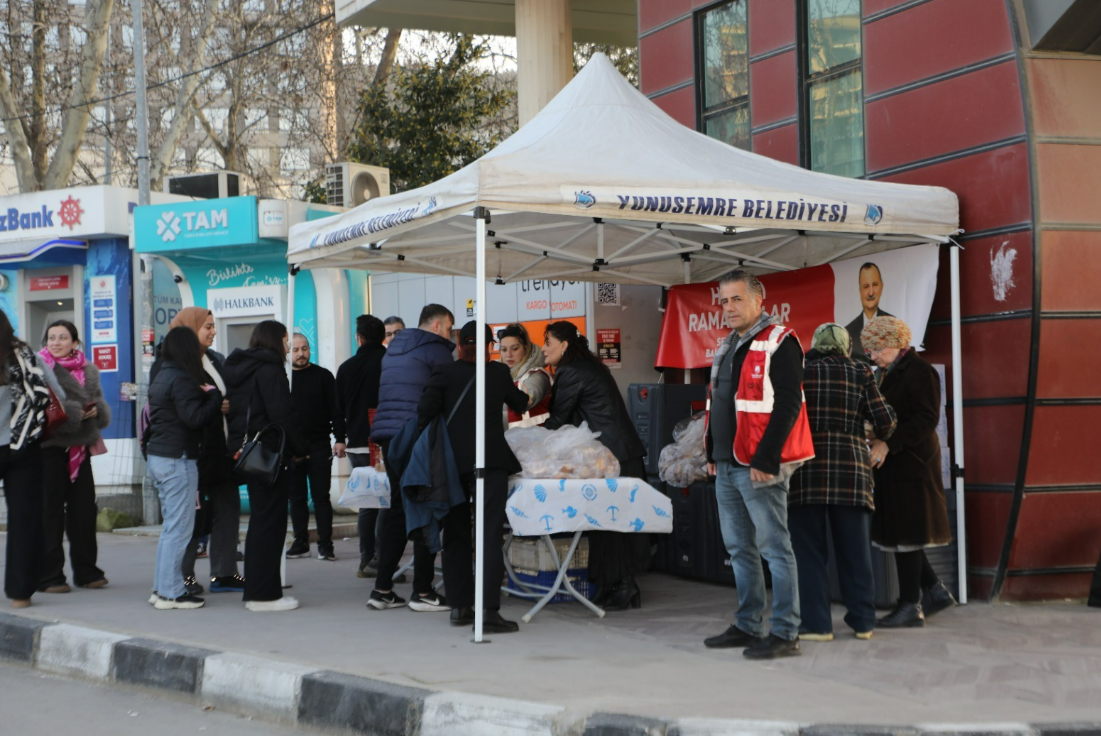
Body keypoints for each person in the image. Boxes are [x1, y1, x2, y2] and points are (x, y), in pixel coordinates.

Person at [702, 269, 814, 660]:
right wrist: (712, 453)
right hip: (727, 464)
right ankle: (748, 624)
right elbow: (720, 403)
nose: (729, 307)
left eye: (737, 299)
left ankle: (785, 632)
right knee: (739, 548)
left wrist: (766, 458)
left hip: (758, 464)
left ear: (758, 300)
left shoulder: (780, 341)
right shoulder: (729, 344)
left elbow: (789, 403)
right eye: (724, 301)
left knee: (775, 549)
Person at [788, 323, 897, 641]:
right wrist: (872, 431)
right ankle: (863, 622)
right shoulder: (860, 372)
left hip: (805, 471)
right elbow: (886, 420)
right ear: (846, 346)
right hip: (851, 473)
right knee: (856, 552)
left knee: (809, 553)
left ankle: (817, 625)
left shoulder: (800, 372)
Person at [419, 321, 530, 634]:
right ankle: (488, 612)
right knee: (488, 535)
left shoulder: (444, 372)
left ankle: (460, 607)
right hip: (490, 462)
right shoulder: (497, 373)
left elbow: (424, 412)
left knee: (455, 535)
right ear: (489, 346)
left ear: (459, 344)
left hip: (452, 464)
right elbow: (520, 404)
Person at [541, 320, 647, 612]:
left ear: (564, 345)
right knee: (605, 522)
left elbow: (558, 420)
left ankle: (625, 587)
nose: (543, 349)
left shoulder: (571, 372)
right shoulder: (590, 367)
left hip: (613, 457)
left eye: (548, 343)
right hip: (618, 453)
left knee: (611, 522)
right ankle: (610, 584)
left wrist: (530, 442)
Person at [862, 316, 956, 628]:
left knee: (907, 534)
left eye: (877, 348)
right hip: (892, 464)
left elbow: (926, 419)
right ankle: (935, 592)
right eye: (869, 350)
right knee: (901, 533)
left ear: (896, 343)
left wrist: (889, 443)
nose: (873, 355)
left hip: (913, 463)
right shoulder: (883, 373)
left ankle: (909, 606)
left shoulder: (920, 371)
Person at [367, 304, 455, 612]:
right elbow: (447, 396)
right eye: (448, 328)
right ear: (436, 326)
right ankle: (423, 591)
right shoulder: (436, 349)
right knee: (426, 506)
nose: (450, 335)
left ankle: (381, 590)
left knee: (397, 510)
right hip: (417, 436)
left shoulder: (394, 349)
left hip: (389, 436)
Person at [154, 307, 244, 597]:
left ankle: (225, 573)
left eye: (213, 326)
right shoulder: (171, 364)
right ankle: (183, 578)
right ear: (189, 330)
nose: (213, 331)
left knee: (227, 508)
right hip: (191, 452)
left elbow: (223, 395)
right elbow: (185, 407)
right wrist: (214, 403)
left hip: (220, 449)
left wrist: (225, 405)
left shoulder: (215, 359)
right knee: (189, 518)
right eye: (207, 326)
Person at [223, 321, 307, 612]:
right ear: (275, 340)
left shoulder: (241, 367)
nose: (288, 346)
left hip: (250, 454)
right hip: (270, 455)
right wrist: (301, 449)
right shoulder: (270, 369)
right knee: (269, 525)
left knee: (261, 523)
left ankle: (259, 592)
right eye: (285, 340)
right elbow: (282, 414)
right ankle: (264, 596)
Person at [146, 327, 225, 610]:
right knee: (180, 529)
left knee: (171, 528)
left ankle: (161, 589)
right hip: (178, 459)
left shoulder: (162, 374)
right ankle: (172, 593)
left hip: (160, 456)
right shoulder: (181, 378)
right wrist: (214, 397)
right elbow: (194, 418)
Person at [37, 320, 110, 594]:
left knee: (84, 511)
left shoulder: (88, 370)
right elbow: (38, 407)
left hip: (80, 448)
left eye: (62, 337)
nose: (56, 342)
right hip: (51, 448)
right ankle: (50, 575)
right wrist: (76, 412)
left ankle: (87, 571)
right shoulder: (38, 368)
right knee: (50, 513)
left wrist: (96, 410)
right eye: (51, 337)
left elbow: (99, 401)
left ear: (75, 342)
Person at [0, 310, 52, 609]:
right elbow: (53, 392)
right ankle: (21, 594)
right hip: (23, 446)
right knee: (25, 521)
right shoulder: (25, 355)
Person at [334, 315, 391, 578]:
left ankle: (366, 559)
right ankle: (382, 559)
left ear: (359, 338)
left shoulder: (346, 368)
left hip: (357, 443)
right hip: (387, 441)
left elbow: (338, 409)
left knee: (368, 503)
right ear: (383, 337)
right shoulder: (390, 362)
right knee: (387, 502)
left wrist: (340, 438)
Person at [288, 333, 339, 561]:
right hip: (292, 447)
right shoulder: (283, 378)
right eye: (296, 349)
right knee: (296, 498)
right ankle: (300, 542)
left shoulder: (323, 376)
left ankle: (325, 544)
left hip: (319, 444)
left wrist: (340, 438)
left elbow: (336, 410)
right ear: (288, 352)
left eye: (305, 348)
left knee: (321, 497)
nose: (301, 354)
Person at [497, 323, 552, 428]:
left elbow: (531, 393)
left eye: (515, 348)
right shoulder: (505, 376)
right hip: (516, 437)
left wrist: (528, 398)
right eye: (504, 349)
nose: (508, 354)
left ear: (526, 348)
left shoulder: (536, 375)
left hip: (538, 437)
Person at [845, 263, 892, 363]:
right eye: (866, 286)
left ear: (882, 287)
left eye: (875, 285)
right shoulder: (848, 332)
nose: (871, 293)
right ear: (860, 291)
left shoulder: (893, 325)